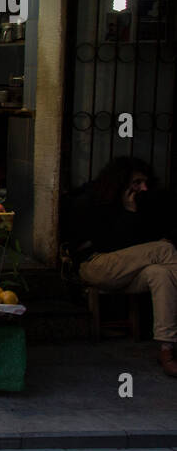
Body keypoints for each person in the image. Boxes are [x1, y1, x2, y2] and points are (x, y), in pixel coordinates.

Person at [68, 157, 177, 376]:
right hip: (96, 265)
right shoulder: (92, 201)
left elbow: (141, 246)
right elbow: (107, 244)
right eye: (137, 182)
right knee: (165, 250)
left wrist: (136, 214)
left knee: (161, 273)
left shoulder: (143, 204)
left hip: (128, 270)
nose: (143, 188)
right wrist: (128, 213)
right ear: (120, 182)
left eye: (145, 182)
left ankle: (167, 350)